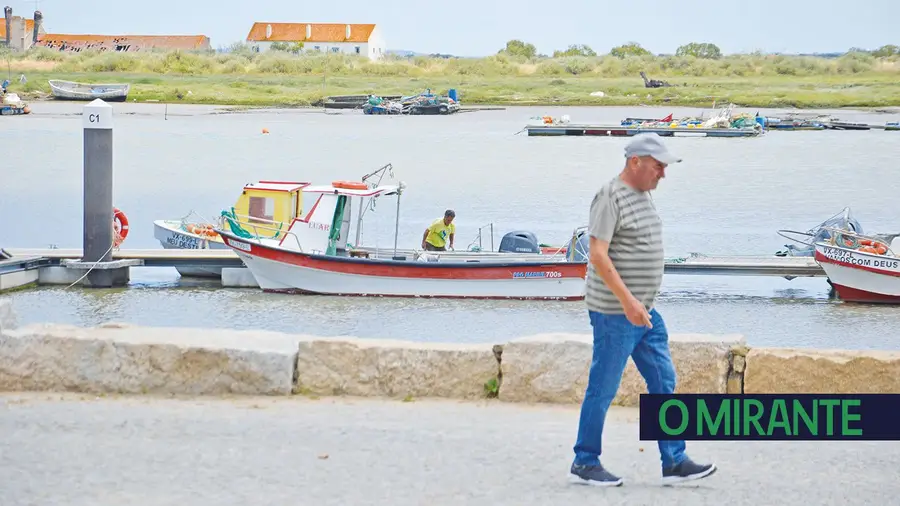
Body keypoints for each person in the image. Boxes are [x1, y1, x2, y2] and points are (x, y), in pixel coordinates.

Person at [569, 133, 716, 487]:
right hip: (616, 313)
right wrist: (628, 302)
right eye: (658, 166)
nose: (662, 174)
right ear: (635, 161)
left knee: (664, 381)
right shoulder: (609, 196)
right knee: (602, 388)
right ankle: (585, 461)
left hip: (645, 312)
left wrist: (640, 304)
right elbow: (599, 254)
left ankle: (674, 461)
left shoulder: (643, 194)